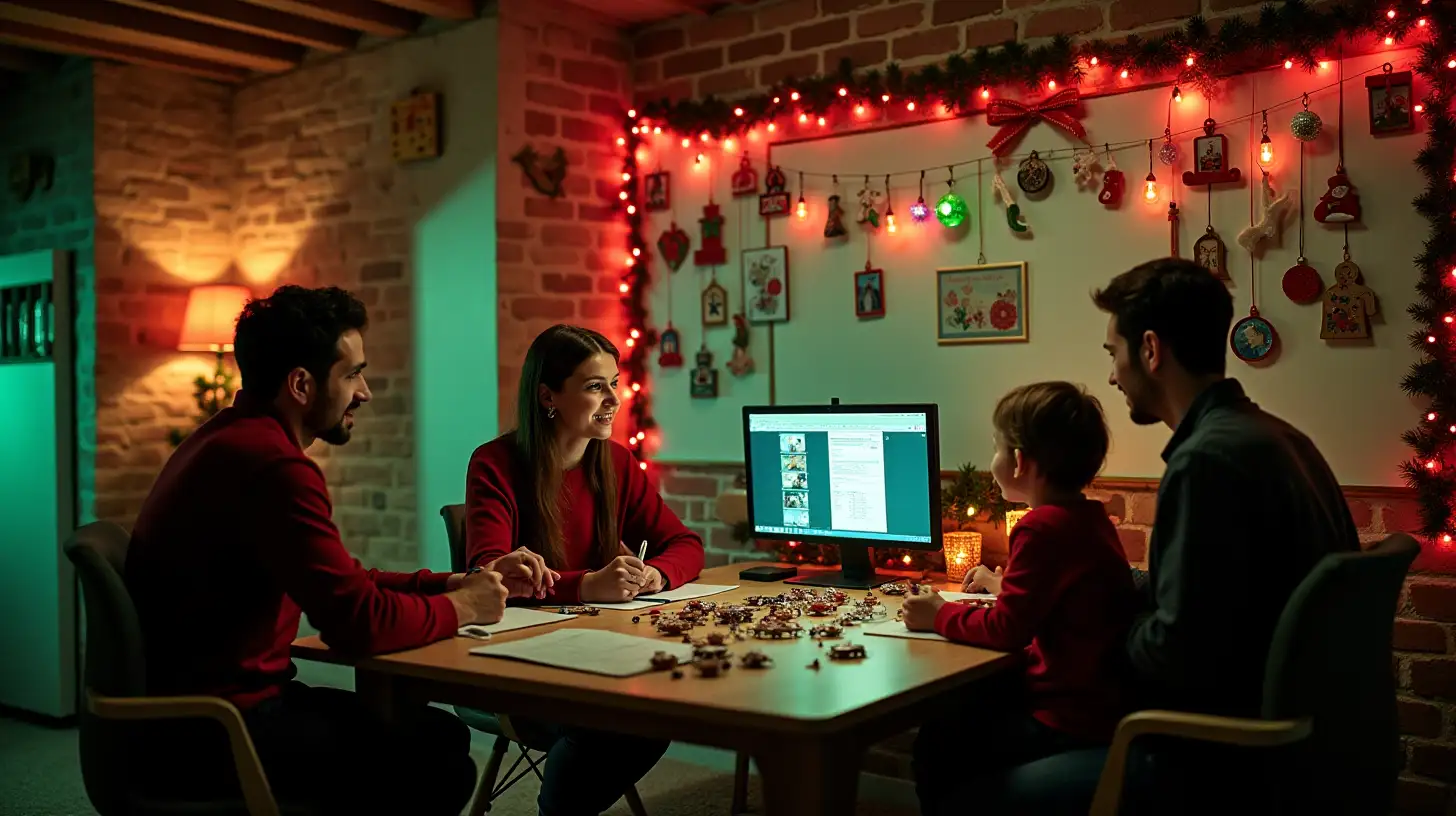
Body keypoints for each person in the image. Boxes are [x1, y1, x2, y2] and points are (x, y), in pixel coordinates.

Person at [125, 285, 551, 816]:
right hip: (219, 728)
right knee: (437, 761)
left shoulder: (228, 439)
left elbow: (344, 581)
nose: (365, 392)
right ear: (301, 384)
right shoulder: (275, 468)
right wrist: (464, 609)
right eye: (352, 374)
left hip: (193, 713)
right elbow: (357, 623)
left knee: (436, 733)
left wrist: (447, 585)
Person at [1092, 257, 1360, 810]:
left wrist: (1091, 627)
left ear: (1150, 349)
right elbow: (1217, 595)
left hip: (1214, 766)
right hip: (1300, 753)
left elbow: (1177, 654)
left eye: (1113, 354)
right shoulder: (1280, 438)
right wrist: (1113, 586)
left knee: (962, 761)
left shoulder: (1205, 462)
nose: (1112, 376)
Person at [465, 323, 706, 816]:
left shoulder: (616, 462)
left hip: (603, 651)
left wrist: (655, 575)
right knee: (611, 725)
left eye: (614, 383)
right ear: (547, 395)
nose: (613, 399)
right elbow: (490, 578)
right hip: (518, 664)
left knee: (659, 708)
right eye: (596, 386)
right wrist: (588, 585)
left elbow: (685, 544)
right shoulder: (495, 463)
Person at [903, 382, 1137, 816]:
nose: (993, 457)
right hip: (1099, 703)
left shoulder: (1039, 528)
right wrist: (1000, 584)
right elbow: (1055, 597)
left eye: (996, 445)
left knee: (939, 741)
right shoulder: (1088, 517)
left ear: (1018, 460)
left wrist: (938, 614)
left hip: (1066, 717)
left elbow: (1007, 629)